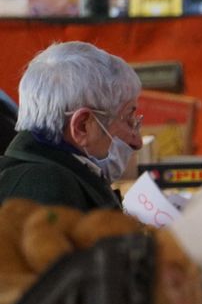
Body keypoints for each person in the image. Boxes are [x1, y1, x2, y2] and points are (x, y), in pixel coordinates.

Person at [0, 42, 143, 210]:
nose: (137, 141)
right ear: (82, 126)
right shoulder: (48, 188)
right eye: (128, 118)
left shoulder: (46, 173)